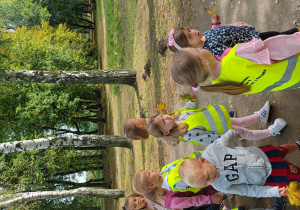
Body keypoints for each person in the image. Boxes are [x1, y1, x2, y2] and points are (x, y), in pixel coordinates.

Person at [178, 129, 300, 198]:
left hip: (261, 156)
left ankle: (297, 145)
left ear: (203, 160)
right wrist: (273, 192)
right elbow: (246, 190)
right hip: (266, 176)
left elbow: (225, 138)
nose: (211, 181)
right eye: (206, 183)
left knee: (281, 150)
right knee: (294, 173)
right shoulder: (220, 186)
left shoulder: (212, 150)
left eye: (207, 176)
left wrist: (234, 132)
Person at [170, 32, 300, 95]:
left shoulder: (221, 85)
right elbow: (285, 45)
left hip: (294, 82)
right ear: (204, 62)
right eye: (196, 50)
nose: (200, 48)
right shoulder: (236, 55)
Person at [147, 98, 287, 145]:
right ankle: (271, 132)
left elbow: (190, 109)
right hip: (226, 131)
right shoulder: (187, 134)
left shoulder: (177, 116)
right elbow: (210, 139)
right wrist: (230, 136)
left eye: (163, 116)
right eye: (164, 122)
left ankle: (259, 117)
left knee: (240, 120)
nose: (167, 117)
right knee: (247, 133)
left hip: (222, 119)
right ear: (166, 132)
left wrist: (192, 101)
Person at [168, 14, 299, 58]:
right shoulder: (210, 51)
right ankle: (295, 36)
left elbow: (215, 33)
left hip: (251, 35)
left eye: (189, 30)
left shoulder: (203, 36)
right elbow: (231, 54)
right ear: (191, 47)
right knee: (278, 41)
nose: (193, 32)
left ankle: (293, 33)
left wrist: (215, 24)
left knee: (275, 34)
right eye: (190, 37)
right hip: (254, 45)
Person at [131, 169, 225, 209]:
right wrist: (211, 199)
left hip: (201, 176)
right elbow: (193, 201)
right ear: (157, 191)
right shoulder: (172, 202)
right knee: (226, 178)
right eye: (148, 173)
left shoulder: (164, 181)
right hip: (207, 187)